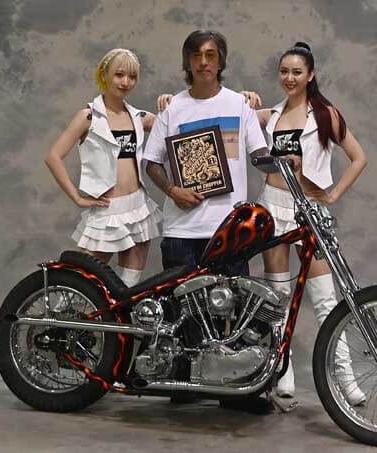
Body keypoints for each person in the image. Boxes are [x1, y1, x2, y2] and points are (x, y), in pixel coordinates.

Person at [143, 30, 272, 413]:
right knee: (182, 313)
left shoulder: (239, 105)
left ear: (221, 61)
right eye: (196, 55)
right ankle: (183, 384)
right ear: (188, 62)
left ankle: (240, 391)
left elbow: (260, 154)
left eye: (211, 55)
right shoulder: (173, 109)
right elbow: (151, 162)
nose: (203, 62)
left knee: (237, 311)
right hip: (183, 229)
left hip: (230, 230)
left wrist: (288, 162)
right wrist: (172, 190)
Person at [254, 42, 368, 403]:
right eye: (284, 72)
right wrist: (246, 98)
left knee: (325, 300)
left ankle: (346, 379)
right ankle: (283, 371)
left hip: (309, 210)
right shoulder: (271, 114)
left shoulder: (325, 115)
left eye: (297, 72)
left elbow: (358, 157)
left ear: (310, 75)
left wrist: (332, 195)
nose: (289, 78)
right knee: (278, 297)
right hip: (273, 207)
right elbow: (232, 109)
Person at [44, 49, 162, 288]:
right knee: (82, 287)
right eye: (119, 74)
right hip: (107, 211)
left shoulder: (139, 117)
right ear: (104, 74)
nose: (125, 82)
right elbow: (53, 157)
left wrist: (170, 101)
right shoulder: (88, 117)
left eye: (132, 77)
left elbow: (178, 123)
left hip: (139, 209)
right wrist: (77, 197)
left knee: (128, 289)